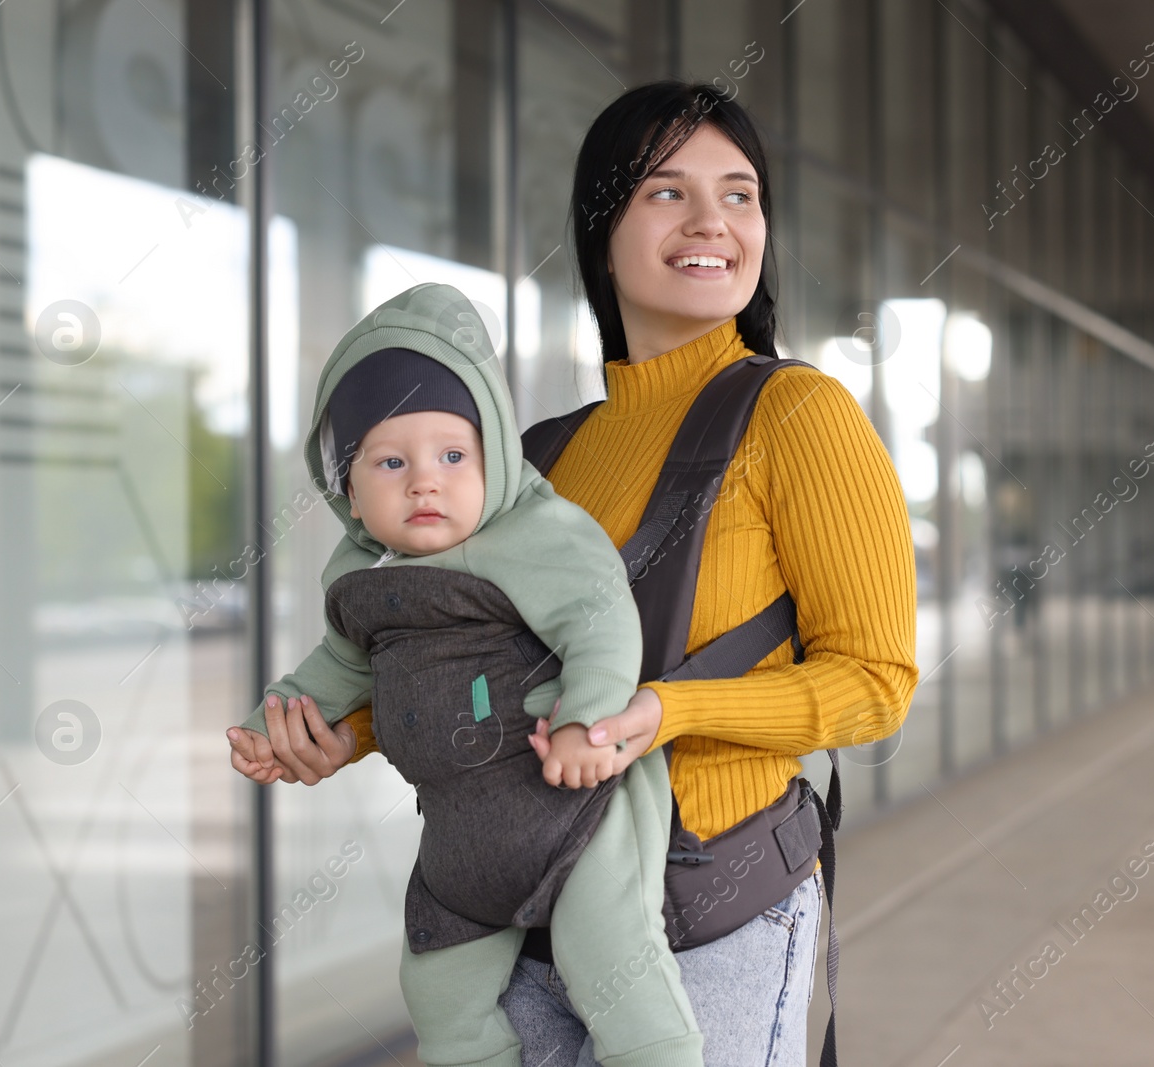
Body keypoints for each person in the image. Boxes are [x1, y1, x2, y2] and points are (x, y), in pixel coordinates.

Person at [248, 80, 919, 1066]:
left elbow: (875, 683)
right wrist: (334, 736)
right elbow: (457, 653)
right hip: (523, 921)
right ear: (602, 226)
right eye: (666, 192)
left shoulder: (798, 415)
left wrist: (666, 711)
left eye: (739, 195)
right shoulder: (535, 458)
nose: (712, 222)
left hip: (709, 909)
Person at [226, 281, 704, 1067]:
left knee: (612, 966)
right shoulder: (361, 579)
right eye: (389, 460)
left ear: (495, 456)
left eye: (454, 454)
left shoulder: (535, 532)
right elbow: (340, 665)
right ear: (347, 486)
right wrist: (275, 717)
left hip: (569, 812)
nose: (425, 480)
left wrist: (588, 721)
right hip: (459, 846)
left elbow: (601, 619)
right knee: (439, 996)